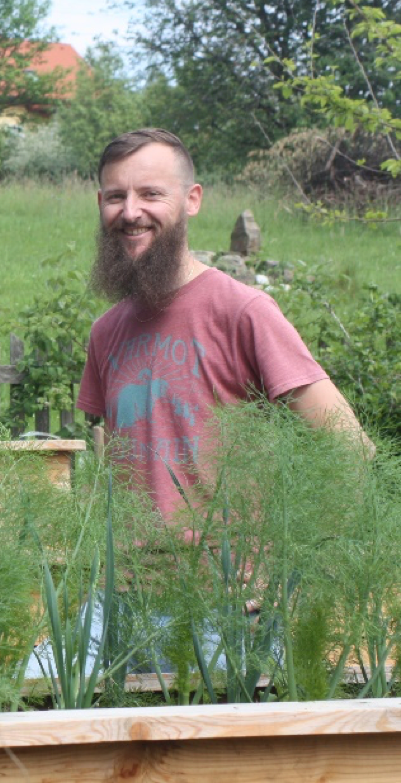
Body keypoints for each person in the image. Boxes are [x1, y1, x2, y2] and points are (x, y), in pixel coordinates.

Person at [77, 128, 373, 524]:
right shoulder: (106, 332)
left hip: (231, 582)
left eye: (151, 194)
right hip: (128, 579)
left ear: (191, 200)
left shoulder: (244, 311)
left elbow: (350, 448)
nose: (130, 212)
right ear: (100, 203)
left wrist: (316, 558)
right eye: (116, 196)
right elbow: (120, 466)